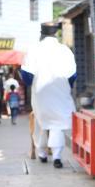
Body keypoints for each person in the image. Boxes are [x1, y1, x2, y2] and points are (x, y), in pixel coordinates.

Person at [21, 23, 76, 168]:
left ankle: (42, 154)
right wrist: (64, 87)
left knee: (41, 122)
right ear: (55, 34)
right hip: (61, 92)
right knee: (57, 123)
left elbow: (26, 75)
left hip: (40, 93)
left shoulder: (34, 50)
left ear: (42, 34)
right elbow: (73, 75)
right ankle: (57, 157)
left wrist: (33, 84)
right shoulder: (65, 50)